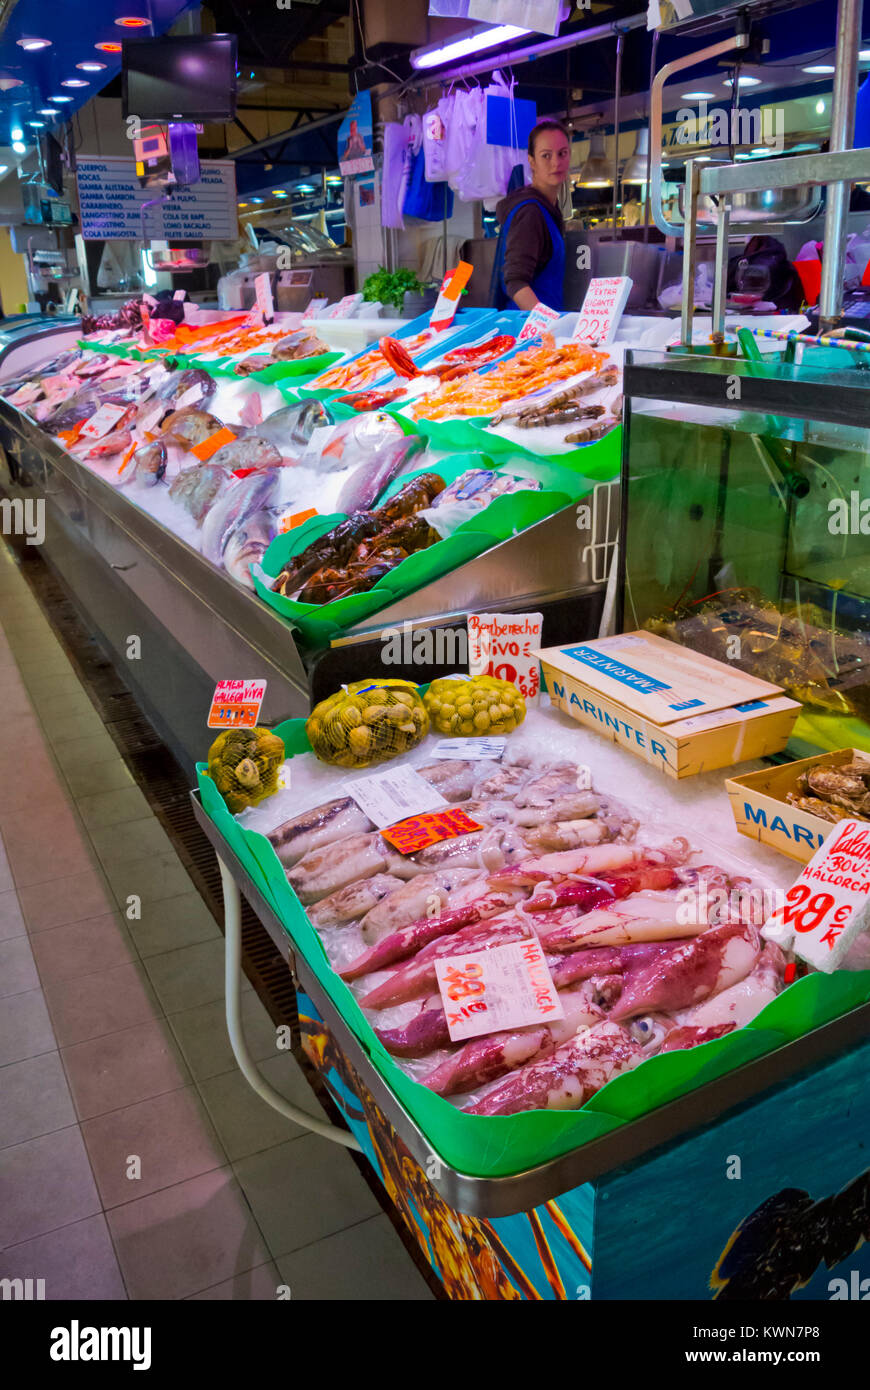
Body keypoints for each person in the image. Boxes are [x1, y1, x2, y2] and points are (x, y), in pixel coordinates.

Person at [492, 119, 571, 311]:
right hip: (529, 331)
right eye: (546, 155)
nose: (556, 163)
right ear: (532, 161)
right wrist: (546, 326)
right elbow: (515, 282)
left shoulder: (548, 209)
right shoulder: (530, 213)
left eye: (562, 154)